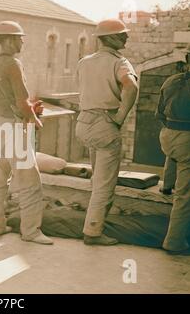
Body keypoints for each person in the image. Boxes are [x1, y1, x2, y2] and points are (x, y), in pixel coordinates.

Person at [0, 21, 53, 245]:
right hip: (14, 126)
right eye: (19, 38)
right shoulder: (14, 64)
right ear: (8, 39)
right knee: (29, 181)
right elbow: (21, 100)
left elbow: (2, 96)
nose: (22, 41)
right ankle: (31, 231)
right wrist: (34, 119)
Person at [75, 19, 138, 245]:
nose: (125, 38)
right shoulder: (119, 61)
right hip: (104, 123)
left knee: (97, 180)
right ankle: (93, 232)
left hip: (83, 123)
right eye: (121, 35)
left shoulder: (84, 62)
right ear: (109, 38)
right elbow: (131, 87)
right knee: (104, 185)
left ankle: (94, 223)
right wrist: (120, 117)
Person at [156, 43, 190, 255]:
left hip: (167, 136)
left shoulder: (171, 81)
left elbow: (159, 114)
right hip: (187, 139)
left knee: (175, 153)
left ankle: (166, 185)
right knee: (185, 194)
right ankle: (174, 241)